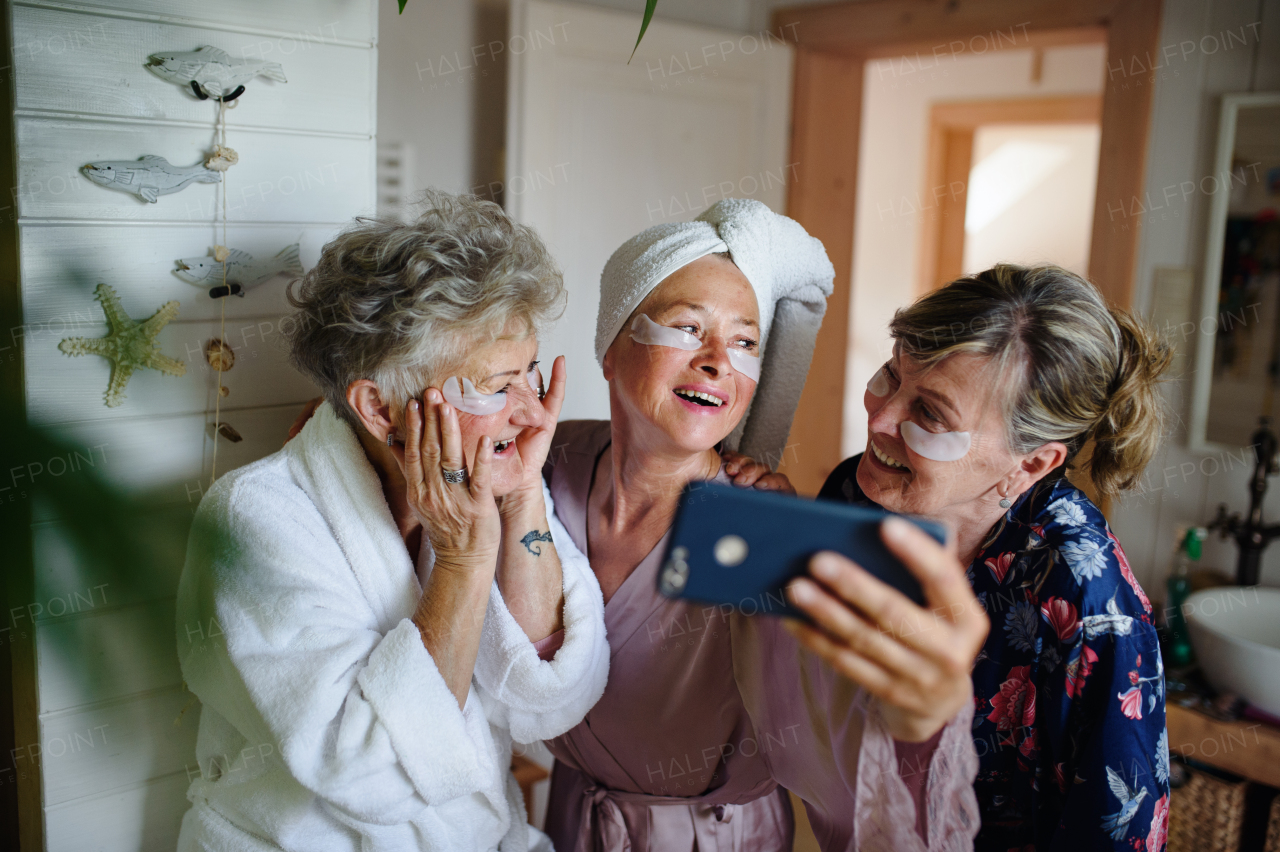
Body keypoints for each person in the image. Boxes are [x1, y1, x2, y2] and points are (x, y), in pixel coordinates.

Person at [541, 199, 987, 852]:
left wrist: (919, 714)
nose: (720, 359)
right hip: (571, 823)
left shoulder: (763, 540)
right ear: (611, 348)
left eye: (746, 341)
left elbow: (844, 737)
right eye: (687, 327)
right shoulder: (543, 467)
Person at [175, 192, 609, 852]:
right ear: (380, 409)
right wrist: (463, 560)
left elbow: (549, 702)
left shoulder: (493, 480)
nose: (529, 413)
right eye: (494, 386)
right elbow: (371, 771)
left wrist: (522, 498)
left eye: (530, 375)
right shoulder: (257, 522)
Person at [814, 264, 1172, 851]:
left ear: (1030, 465)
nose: (877, 420)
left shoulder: (1090, 603)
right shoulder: (856, 496)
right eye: (889, 374)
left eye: (929, 414)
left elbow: (1116, 833)